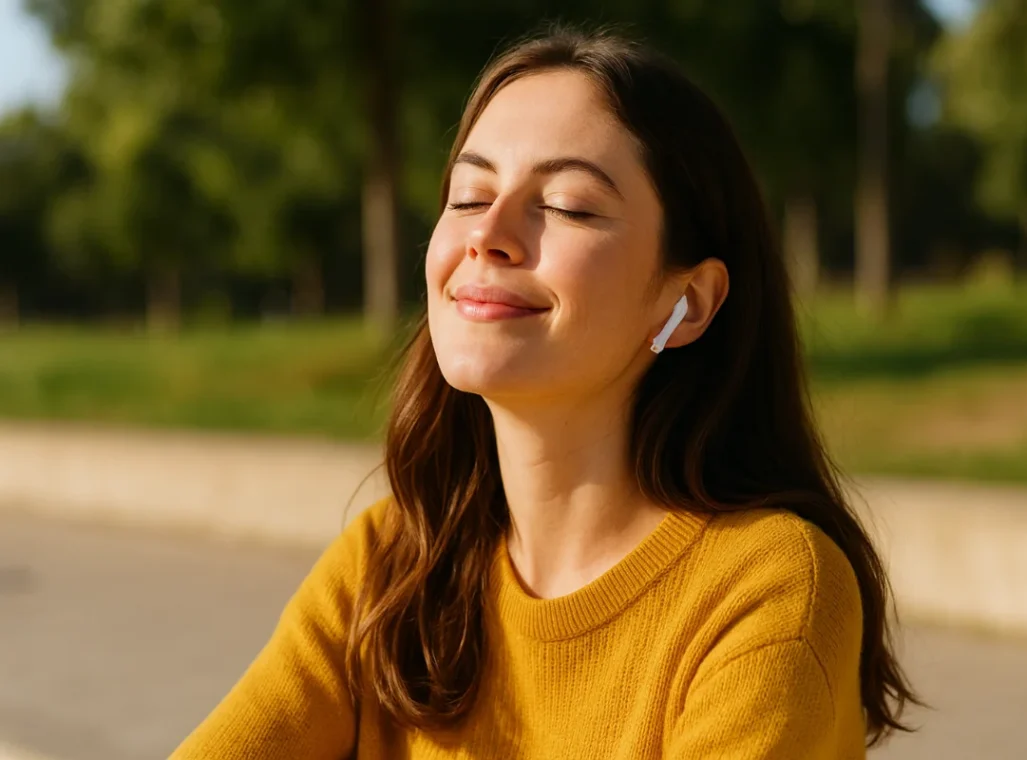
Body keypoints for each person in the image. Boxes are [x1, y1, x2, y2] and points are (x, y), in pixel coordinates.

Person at [172, 25, 918, 760]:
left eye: (566, 205)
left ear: (686, 303)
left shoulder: (770, 589)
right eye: (468, 195)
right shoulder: (391, 561)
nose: (488, 234)